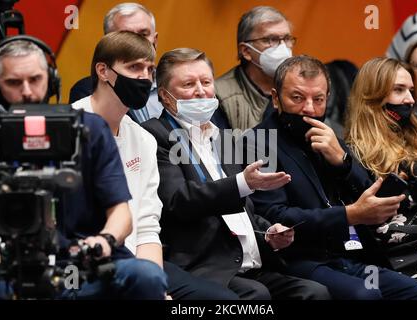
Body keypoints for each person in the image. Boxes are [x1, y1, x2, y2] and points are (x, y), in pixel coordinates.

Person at [246, 54, 417, 299]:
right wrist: (348, 215)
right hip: (300, 259)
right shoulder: (257, 143)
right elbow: (275, 216)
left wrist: (343, 163)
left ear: (327, 99)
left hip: (352, 256)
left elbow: (374, 198)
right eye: (297, 98)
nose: (309, 108)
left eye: (318, 99)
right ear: (276, 98)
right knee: (365, 295)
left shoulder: (330, 138)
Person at [141, 47, 331, 300]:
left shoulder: (223, 136)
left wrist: (269, 233)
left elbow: (246, 211)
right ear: (165, 96)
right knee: (257, 295)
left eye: (206, 82)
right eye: (188, 84)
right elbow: (179, 199)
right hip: (206, 265)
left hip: (252, 262)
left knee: (315, 293)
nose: (200, 90)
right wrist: (242, 183)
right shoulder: (155, 135)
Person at [72, 31, 240, 300]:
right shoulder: (69, 128)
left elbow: (148, 225)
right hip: (83, 266)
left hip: (138, 264)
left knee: (226, 303)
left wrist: (153, 287)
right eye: (134, 67)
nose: (144, 77)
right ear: (103, 71)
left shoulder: (143, 139)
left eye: (149, 69)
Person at [0, 37, 168, 299]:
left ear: (52, 80)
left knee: (146, 276)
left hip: (79, 267)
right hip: (11, 269)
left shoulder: (90, 129)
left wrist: (105, 240)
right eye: (13, 82)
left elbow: (122, 213)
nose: (27, 91)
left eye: (35, 79)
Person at [345, 57, 417, 291]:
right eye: (399, 90)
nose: (410, 100)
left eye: (411, 91)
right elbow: (379, 232)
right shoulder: (357, 157)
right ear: (373, 95)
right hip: (406, 258)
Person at [69, 2, 162, 122]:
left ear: (155, 41)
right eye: (127, 36)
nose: (137, 43)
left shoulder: (177, 85)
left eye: (143, 34)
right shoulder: (87, 91)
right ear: (109, 43)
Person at [215, 6, 294, 131]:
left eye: (287, 39)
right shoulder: (219, 96)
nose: (283, 47)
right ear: (246, 51)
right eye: (271, 40)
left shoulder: (300, 89)